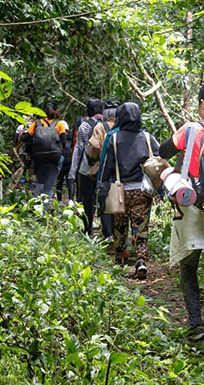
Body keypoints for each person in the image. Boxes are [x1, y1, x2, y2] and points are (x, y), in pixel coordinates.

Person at [158, 79, 204, 353]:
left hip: (192, 206)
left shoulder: (192, 129)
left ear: (202, 104)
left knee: (188, 268)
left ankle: (197, 326)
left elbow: (164, 151)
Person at [98, 102, 160, 278]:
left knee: (119, 226)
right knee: (141, 226)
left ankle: (120, 258)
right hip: (142, 190)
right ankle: (140, 259)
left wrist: (101, 188)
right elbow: (158, 161)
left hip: (120, 190)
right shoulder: (147, 137)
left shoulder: (114, 138)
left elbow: (106, 168)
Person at [21, 101, 69, 209]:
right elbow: (64, 142)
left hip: (39, 159)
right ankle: (45, 212)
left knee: (40, 183)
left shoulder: (36, 123)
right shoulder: (59, 124)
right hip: (54, 159)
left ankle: (36, 209)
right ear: (56, 111)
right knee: (49, 187)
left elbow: (25, 138)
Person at [86, 98, 122, 240]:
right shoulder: (126, 127)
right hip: (124, 171)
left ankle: (108, 234)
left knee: (105, 199)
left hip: (105, 169)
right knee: (120, 201)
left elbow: (93, 148)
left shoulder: (100, 127)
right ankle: (120, 233)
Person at [69, 98, 103, 236]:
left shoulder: (85, 126)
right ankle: (108, 230)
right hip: (103, 167)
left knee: (87, 199)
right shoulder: (107, 125)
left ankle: (87, 228)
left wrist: (73, 171)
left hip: (86, 168)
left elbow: (79, 148)